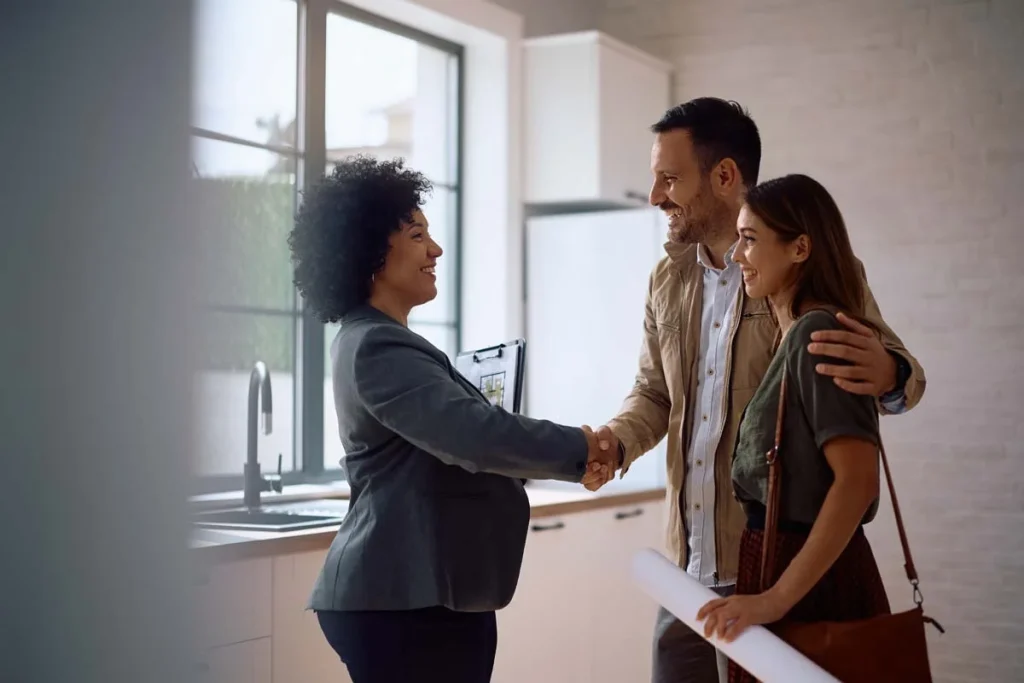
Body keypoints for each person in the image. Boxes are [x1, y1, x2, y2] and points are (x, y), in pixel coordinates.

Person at [586, 98, 925, 683]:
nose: (655, 197)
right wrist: (614, 445)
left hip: (766, 566)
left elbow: (893, 377)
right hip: (685, 567)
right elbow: (654, 393)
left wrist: (892, 375)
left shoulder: (802, 271)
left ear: (724, 177)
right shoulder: (668, 277)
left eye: (670, 179)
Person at [288, 155, 615, 683]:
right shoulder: (376, 345)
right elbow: (474, 435)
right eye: (417, 235)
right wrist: (584, 446)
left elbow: (462, 439)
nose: (435, 249)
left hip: (416, 596)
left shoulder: (376, 340)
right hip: (403, 599)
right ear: (370, 249)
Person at [695, 173, 895, 682]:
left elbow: (858, 483)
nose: (737, 255)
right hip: (789, 576)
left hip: (810, 588)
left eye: (750, 239)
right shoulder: (795, 335)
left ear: (800, 247)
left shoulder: (817, 331)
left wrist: (776, 599)